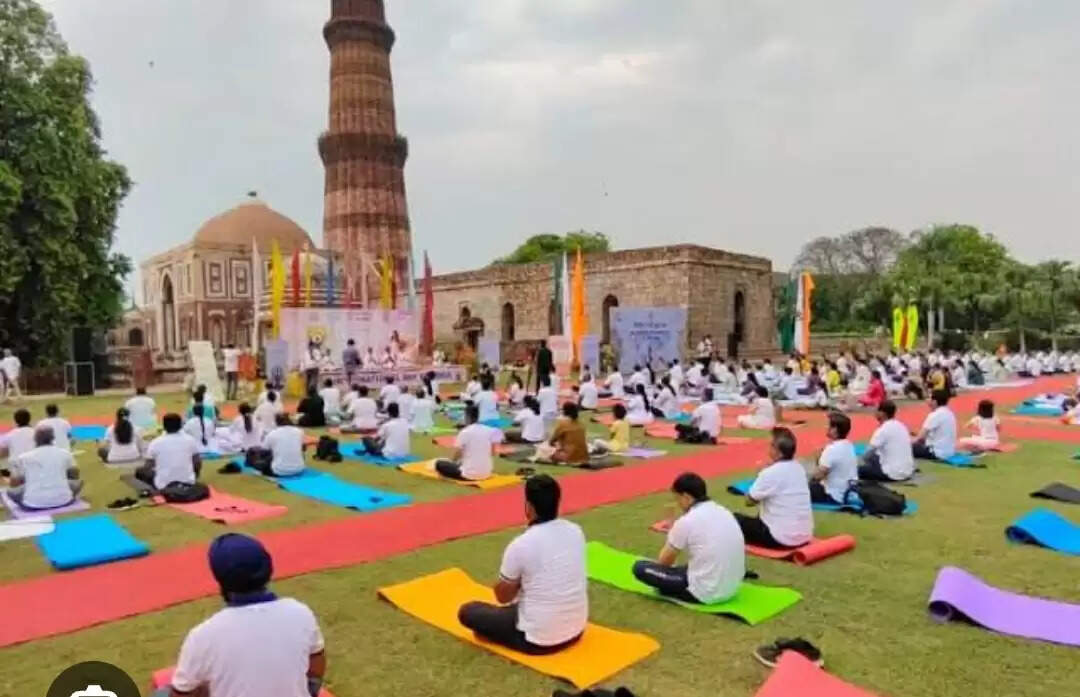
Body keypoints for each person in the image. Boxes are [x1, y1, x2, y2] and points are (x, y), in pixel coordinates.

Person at [161, 534, 326, 697]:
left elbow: (182, 693)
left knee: (161, 694)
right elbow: (316, 663)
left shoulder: (203, 636)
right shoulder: (300, 612)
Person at [458, 475, 586, 654]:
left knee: (468, 611)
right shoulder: (576, 531)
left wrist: (517, 582)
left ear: (529, 507)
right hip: (576, 629)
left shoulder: (521, 544)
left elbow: (502, 597)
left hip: (538, 640)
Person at [632, 473, 744, 604]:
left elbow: (664, 562)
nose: (678, 504)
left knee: (640, 567)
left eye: (678, 499)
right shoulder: (724, 511)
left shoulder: (687, 521)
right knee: (688, 566)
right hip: (733, 587)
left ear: (686, 497)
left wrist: (672, 532)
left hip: (705, 593)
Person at [736, 428, 813, 549]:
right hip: (804, 535)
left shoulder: (770, 473)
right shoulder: (799, 468)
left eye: (771, 445)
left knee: (733, 519)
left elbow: (749, 501)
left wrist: (758, 477)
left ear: (779, 452)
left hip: (780, 538)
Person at [6, 426, 82, 510]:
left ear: (35, 439)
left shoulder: (23, 457)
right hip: (64, 500)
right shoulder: (65, 453)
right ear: (53, 438)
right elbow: (74, 473)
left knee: (11, 491)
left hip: (33, 503)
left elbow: (14, 481)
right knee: (77, 483)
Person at [433, 405, 499, 481]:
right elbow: (493, 452)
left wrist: (453, 463)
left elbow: (458, 452)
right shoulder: (490, 430)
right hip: (487, 473)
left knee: (439, 464)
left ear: (467, 416)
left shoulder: (465, 431)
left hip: (469, 475)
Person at [138, 413, 202, 491]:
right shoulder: (190, 440)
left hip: (163, 485)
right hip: (188, 482)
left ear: (164, 426)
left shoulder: (155, 442)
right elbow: (197, 462)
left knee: (140, 471)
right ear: (180, 425)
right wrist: (195, 475)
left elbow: (148, 466)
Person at [859, 400, 915, 482]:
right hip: (908, 470)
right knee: (874, 457)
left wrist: (862, 460)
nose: (874, 412)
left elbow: (868, 453)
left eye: (877, 410)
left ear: (882, 413)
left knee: (858, 470)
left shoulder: (883, 430)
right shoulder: (901, 425)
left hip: (892, 473)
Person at [809, 412, 858, 504]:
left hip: (833, 494)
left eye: (828, 425)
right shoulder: (849, 445)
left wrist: (818, 458)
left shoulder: (831, 449)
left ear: (834, 429)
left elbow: (818, 475)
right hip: (846, 491)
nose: (825, 427)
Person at [913, 390, 957, 461]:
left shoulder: (935, 415)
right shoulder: (949, 413)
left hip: (936, 452)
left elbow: (920, 438)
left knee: (906, 446)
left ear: (934, 401)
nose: (927, 400)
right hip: (949, 452)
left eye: (929, 398)